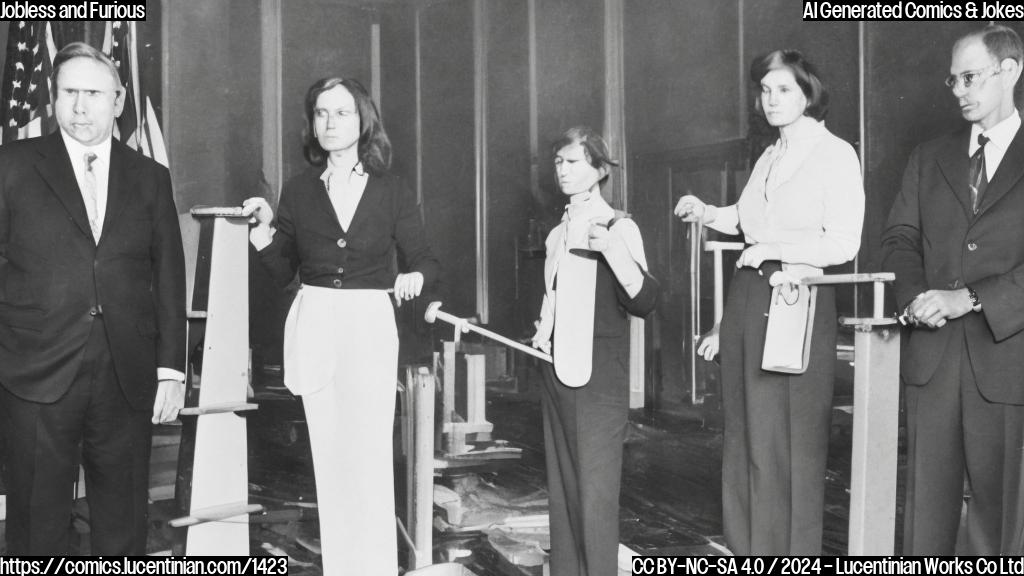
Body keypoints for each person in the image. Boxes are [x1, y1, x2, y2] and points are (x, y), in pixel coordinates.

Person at [242, 77, 438, 575]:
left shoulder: (392, 190)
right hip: (316, 323)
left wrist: (413, 275)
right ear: (312, 124)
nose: (330, 123)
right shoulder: (299, 190)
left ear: (363, 122)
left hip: (369, 324)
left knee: (369, 459)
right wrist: (265, 233)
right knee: (329, 462)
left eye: (342, 113)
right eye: (322, 114)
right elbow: (284, 271)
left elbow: (425, 262)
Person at [0, 42, 186, 555]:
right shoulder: (10, 165)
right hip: (35, 372)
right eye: (69, 93)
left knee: (124, 524)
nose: (81, 107)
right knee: (36, 525)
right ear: (52, 98)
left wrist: (171, 370)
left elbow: (169, 275)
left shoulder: (150, 178)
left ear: (119, 100)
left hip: (126, 375)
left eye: (94, 93)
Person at [676, 50, 864, 554]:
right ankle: (749, 549)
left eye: (783, 89)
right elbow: (744, 217)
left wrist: (776, 251)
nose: (771, 99)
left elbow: (845, 243)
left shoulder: (836, 154)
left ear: (808, 92)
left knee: (792, 441)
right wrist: (706, 211)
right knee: (743, 433)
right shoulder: (769, 155)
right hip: (748, 298)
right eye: (764, 90)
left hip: (797, 299)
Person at [882, 25, 1024, 555]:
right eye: (953, 80)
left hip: (1006, 360)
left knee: (1001, 520)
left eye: (970, 77)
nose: (960, 90)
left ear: (1010, 71)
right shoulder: (928, 157)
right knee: (924, 522)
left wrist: (968, 298)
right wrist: (919, 298)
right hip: (932, 360)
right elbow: (898, 238)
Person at [530, 126, 659, 575]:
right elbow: (554, 296)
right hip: (556, 372)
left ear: (600, 170)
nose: (562, 170)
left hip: (599, 376)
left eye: (573, 162)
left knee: (595, 496)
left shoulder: (619, 225)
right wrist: (544, 328)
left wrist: (614, 253)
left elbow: (644, 301)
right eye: (558, 162)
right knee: (563, 492)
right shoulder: (556, 233)